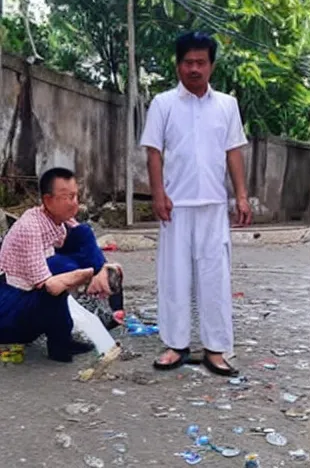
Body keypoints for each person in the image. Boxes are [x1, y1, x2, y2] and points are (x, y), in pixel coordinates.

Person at [140, 31, 252, 376]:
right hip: (175, 206)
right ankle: (176, 345)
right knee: (174, 277)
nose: (194, 68)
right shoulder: (163, 104)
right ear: (178, 65)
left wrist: (242, 195)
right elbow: (154, 153)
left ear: (211, 65)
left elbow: (233, 152)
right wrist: (158, 194)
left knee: (215, 277)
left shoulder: (226, 105)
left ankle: (216, 349)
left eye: (200, 62)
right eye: (187, 62)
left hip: (214, 206)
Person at [0, 167, 124, 362]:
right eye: (68, 197)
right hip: (8, 312)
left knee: (83, 234)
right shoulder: (29, 228)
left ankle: (109, 305)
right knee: (61, 269)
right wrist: (88, 275)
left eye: (76, 196)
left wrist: (101, 269)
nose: (75, 203)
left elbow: (84, 240)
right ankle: (60, 344)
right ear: (48, 200)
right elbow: (49, 285)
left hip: (29, 297)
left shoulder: (58, 222)